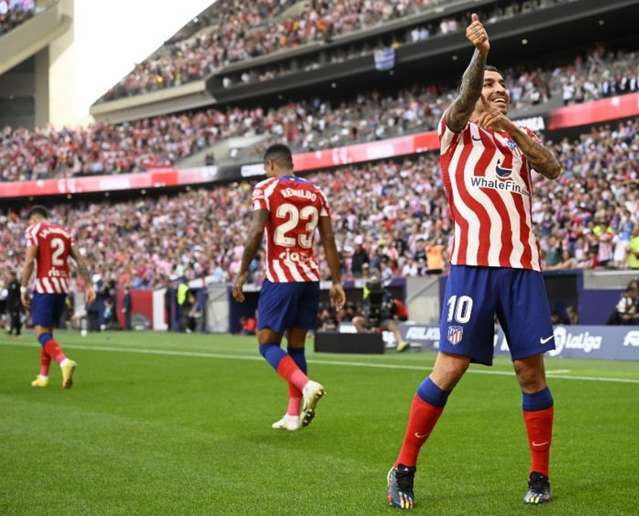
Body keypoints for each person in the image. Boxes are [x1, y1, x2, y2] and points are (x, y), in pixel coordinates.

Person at [386, 14, 563, 510]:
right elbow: (463, 100)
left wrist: (508, 124)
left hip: (523, 268)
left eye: (503, 82)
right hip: (473, 267)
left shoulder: (516, 136)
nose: (499, 88)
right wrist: (479, 57)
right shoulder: (455, 131)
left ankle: (540, 475)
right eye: (491, 84)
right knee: (450, 367)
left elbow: (553, 167)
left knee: (531, 374)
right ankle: (403, 468)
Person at [233, 143, 346, 431]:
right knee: (296, 346)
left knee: (267, 343)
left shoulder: (266, 188)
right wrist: (336, 281)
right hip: (310, 278)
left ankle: (306, 385)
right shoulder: (316, 192)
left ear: (271, 165)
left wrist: (242, 272)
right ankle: (293, 415)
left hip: (282, 277)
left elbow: (257, 230)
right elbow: (329, 239)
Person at [19, 206, 95, 389]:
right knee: (48, 330)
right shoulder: (64, 232)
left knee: (40, 332)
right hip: (62, 286)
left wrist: (23, 288)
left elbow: (29, 261)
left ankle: (63, 361)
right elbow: (79, 260)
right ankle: (43, 376)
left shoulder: (34, 230)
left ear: (35, 219)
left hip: (45, 286)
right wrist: (89, 285)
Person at [6, 271, 22, 336]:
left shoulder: (17, 284)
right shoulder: (10, 284)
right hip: (10, 303)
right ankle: (18, 331)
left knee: (14, 317)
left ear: (14, 276)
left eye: (11, 276)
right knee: (15, 317)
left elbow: (19, 294)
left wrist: (17, 303)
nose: (10, 277)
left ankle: (11, 330)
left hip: (15, 304)